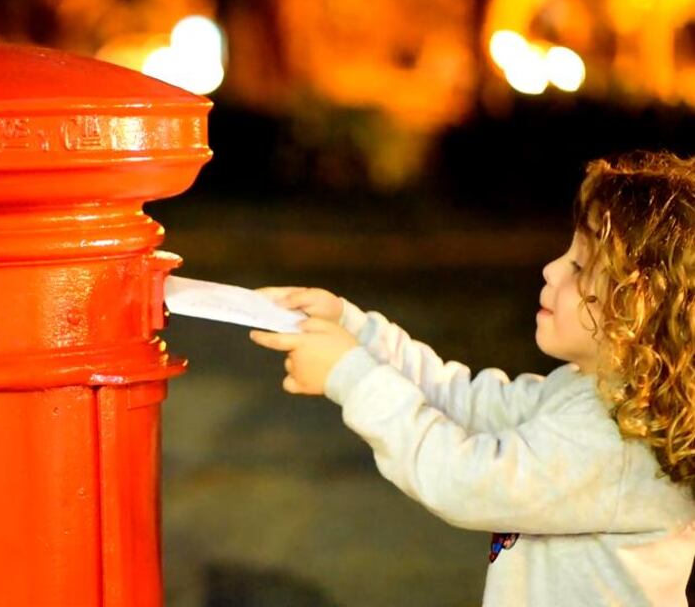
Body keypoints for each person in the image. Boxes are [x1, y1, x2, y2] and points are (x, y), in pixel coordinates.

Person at [249, 151, 695, 606]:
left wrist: (352, 375)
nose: (551, 268)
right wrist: (355, 331)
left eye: (579, 268)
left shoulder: (615, 443)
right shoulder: (590, 394)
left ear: (638, 308)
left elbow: (461, 478)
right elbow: (461, 399)